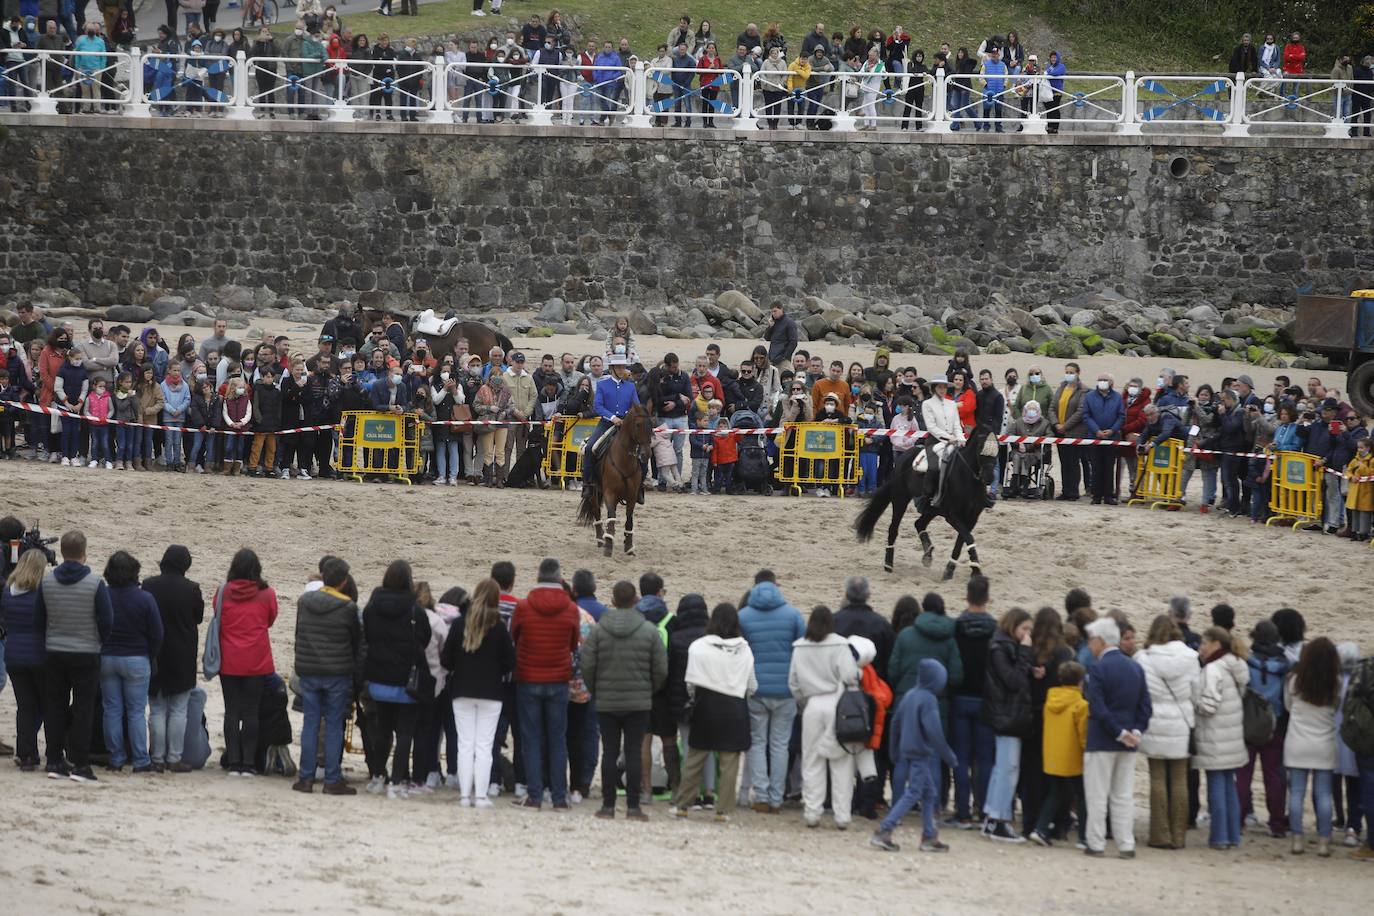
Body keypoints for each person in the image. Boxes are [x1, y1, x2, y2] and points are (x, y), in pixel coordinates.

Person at [582, 579, 667, 820]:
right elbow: (660, 668)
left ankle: (608, 806)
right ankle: (633, 806)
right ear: (636, 601)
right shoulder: (649, 630)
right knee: (633, 751)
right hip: (638, 701)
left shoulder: (599, 630)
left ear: (612, 601)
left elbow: (588, 664)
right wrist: (649, 689)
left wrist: (596, 689)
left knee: (609, 752)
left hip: (607, 701)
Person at [37, 530, 112, 782]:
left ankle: (55, 760)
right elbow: (107, 620)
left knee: (55, 707)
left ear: (62, 552)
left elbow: (39, 620)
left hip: (55, 651)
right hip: (86, 652)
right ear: (84, 553)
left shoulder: (47, 582)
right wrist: (98, 640)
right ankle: (80, 764)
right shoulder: (95, 583)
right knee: (83, 709)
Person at [671, 602, 754, 821]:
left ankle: (683, 805)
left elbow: (690, 683)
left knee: (695, 757)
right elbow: (751, 685)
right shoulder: (744, 648)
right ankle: (723, 810)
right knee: (729, 762)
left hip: (706, 705)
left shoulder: (698, 646)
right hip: (735, 707)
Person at [509, 557, 580, 810]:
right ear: (559, 578)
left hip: (529, 678)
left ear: (538, 577)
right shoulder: (571, 609)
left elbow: (515, 638)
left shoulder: (525, 606)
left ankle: (535, 795)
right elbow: (573, 644)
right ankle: (559, 798)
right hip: (558, 679)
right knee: (557, 739)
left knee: (531, 738)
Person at [871, 659, 958, 852]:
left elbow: (895, 724)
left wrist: (894, 750)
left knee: (929, 793)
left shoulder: (909, 695)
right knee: (914, 793)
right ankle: (884, 830)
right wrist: (949, 756)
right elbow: (934, 731)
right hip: (921, 753)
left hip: (906, 750)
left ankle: (929, 835)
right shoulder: (928, 699)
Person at [441, 578, 515, 808]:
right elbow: (509, 661)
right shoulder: (499, 626)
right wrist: (495, 672)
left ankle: (465, 795)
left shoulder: (460, 623)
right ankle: (481, 795)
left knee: (465, 743)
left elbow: (446, 659)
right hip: (491, 691)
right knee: (484, 745)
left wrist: (460, 668)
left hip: (462, 689)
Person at [1083, 616, 1152, 857]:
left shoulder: (1098, 668)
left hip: (1102, 740)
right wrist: (1134, 731)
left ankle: (1096, 842)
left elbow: (1098, 707)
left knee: (1097, 794)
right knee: (1123, 795)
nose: (1090, 645)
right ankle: (1126, 843)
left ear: (1101, 641)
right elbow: (1145, 707)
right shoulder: (1135, 666)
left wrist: (1119, 732)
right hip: (1128, 741)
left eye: (1092, 640)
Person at [292, 557, 361, 795]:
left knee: (310, 723)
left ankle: (306, 778)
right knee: (333, 725)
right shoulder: (348, 607)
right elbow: (355, 642)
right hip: (337, 673)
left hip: (309, 670)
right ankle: (332, 779)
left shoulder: (305, 601)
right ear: (343, 582)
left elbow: (299, 634)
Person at [362, 559, 430, 798]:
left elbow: (367, 634)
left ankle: (378, 776)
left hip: (379, 677)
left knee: (383, 730)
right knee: (404, 733)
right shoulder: (415, 610)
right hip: (405, 681)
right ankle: (397, 782)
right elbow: (425, 638)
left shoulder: (372, 606)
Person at [788, 604, 861, 829]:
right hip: (837, 704)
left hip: (812, 705)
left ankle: (812, 812)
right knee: (841, 760)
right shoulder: (840, 644)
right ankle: (842, 815)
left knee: (811, 760)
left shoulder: (800, 647)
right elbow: (850, 677)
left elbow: (794, 683)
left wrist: (804, 702)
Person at [739, 576, 806, 813]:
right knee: (780, 745)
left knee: (757, 743)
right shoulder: (793, 615)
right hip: (785, 690)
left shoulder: (744, 616)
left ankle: (762, 795)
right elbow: (802, 649)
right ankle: (777, 797)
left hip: (756, 689)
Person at [1136, 615, 1199, 850]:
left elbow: (1140, 691)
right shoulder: (1190, 657)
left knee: (1158, 778)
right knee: (1180, 779)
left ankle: (1160, 833)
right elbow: (1196, 692)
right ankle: (1179, 835)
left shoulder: (1143, 658)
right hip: (1181, 721)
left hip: (1154, 721)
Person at [99, 551, 163, 774]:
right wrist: (149, 654)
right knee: (136, 711)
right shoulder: (144, 598)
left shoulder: (103, 595)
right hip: (137, 658)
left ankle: (116, 758)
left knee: (112, 710)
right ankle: (140, 759)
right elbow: (157, 633)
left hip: (107, 657)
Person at [142, 545, 204, 774]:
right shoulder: (192, 589)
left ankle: (156, 757)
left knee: (157, 709)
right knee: (179, 709)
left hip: (155, 653)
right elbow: (198, 618)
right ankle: (174, 757)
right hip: (182, 655)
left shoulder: (149, 585)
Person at [217, 548, 278, 777]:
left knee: (231, 711)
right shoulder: (267, 593)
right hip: (256, 659)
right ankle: (249, 764)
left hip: (229, 659)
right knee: (251, 712)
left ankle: (234, 762)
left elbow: (218, 616)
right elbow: (270, 619)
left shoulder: (223, 592)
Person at [1192, 626, 1249, 850]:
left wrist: (1193, 700)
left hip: (1215, 737)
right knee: (1229, 786)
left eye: (1204, 643)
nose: (1201, 648)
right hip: (1232, 736)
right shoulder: (1236, 665)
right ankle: (1233, 835)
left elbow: (1209, 705)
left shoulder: (1213, 669)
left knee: (1216, 787)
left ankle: (1219, 836)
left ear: (1216, 644)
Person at [1285, 637, 1341, 856]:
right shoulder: (1335, 682)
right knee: (1324, 794)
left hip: (1298, 741)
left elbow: (1289, 707)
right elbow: (1337, 708)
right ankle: (1324, 841)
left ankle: (1297, 839)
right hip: (1324, 743)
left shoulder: (1295, 680)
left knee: (1297, 793)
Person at [981, 607, 1033, 843]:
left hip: (1006, 713)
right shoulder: (1001, 647)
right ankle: (999, 820)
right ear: (1013, 626)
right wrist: (1025, 654)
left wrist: (1031, 668)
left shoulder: (1002, 645)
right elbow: (1013, 681)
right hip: (1006, 715)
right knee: (1007, 769)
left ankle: (992, 817)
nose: (1026, 634)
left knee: (1003, 768)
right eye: (1024, 629)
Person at [949, 576, 996, 828]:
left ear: (966, 597)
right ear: (988, 598)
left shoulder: (956, 627)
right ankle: (984, 810)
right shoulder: (996, 629)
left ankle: (962, 811)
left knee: (961, 757)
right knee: (985, 758)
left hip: (960, 697)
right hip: (984, 699)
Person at [0, 550, 49, 771]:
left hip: (14, 655)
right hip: (38, 655)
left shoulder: (8, 592)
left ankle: (25, 753)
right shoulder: (42, 594)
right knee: (43, 705)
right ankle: (33, 751)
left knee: (25, 706)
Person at [1032, 660, 1088, 847]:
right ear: (1080, 681)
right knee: (1081, 795)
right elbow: (1083, 734)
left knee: (1055, 793)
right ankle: (1083, 836)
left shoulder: (1051, 699)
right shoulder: (1081, 704)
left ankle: (1040, 828)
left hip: (1053, 755)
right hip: (1072, 757)